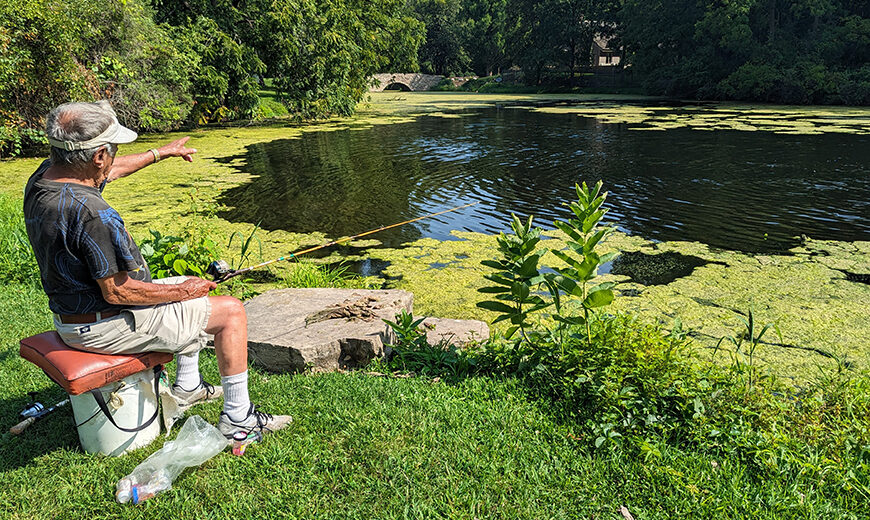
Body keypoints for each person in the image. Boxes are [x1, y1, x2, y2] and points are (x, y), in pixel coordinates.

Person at [23, 100, 290, 439]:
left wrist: (160, 153)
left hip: (72, 317)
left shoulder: (45, 178)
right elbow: (118, 291)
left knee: (188, 291)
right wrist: (184, 292)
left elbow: (110, 173)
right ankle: (239, 420)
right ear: (98, 155)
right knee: (230, 312)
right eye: (113, 151)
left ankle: (188, 385)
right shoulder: (92, 214)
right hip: (105, 326)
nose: (115, 159)